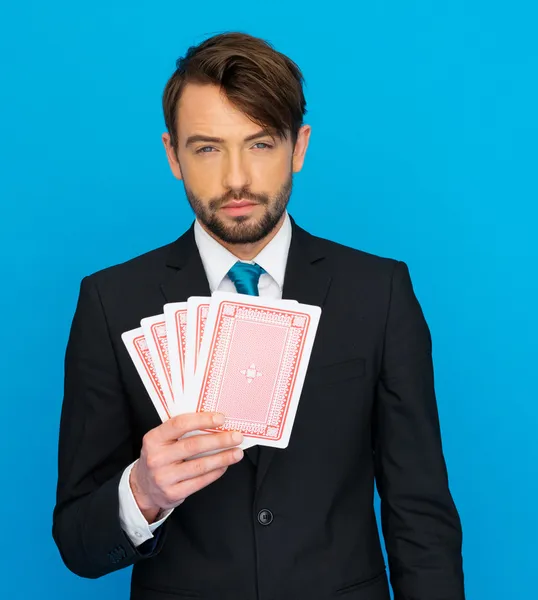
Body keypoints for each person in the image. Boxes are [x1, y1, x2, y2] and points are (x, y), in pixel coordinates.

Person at [52, 31, 465, 600]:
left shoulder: (380, 292)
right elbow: (77, 542)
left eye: (261, 144)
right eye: (207, 148)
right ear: (172, 155)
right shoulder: (110, 302)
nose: (237, 179)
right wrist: (142, 492)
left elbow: (421, 514)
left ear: (299, 147)